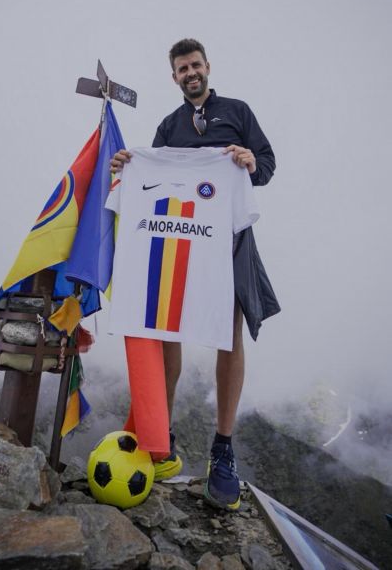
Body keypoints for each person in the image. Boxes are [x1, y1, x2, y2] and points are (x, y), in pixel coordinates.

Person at [110, 38, 278, 511]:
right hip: (178, 241)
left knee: (229, 334)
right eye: (182, 69)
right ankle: (161, 439)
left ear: (207, 67)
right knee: (167, 331)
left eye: (195, 65)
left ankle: (223, 449)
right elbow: (152, 177)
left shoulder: (238, 112)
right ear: (174, 77)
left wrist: (250, 162)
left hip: (229, 243)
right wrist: (125, 166)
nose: (190, 73)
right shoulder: (169, 125)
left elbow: (267, 165)